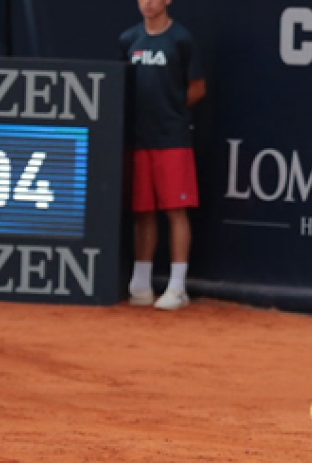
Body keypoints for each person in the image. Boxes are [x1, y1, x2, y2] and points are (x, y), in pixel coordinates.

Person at [119, 0, 205, 310]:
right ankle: (140, 283)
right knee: (142, 211)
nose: (148, 3)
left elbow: (197, 87)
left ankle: (177, 286)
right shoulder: (129, 40)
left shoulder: (181, 39)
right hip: (138, 140)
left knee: (175, 210)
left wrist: (170, 113)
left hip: (173, 139)